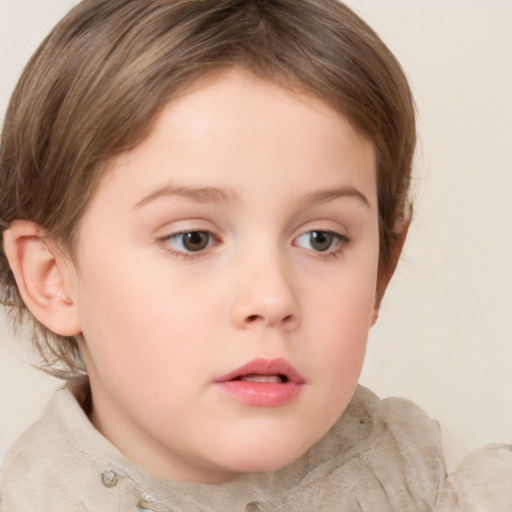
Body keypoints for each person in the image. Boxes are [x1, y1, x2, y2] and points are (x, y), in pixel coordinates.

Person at [0, 0, 510, 510]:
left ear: (382, 271)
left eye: (320, 239)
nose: (271, 298)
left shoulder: (430, 480)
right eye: (192, 239)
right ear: (53, 278)